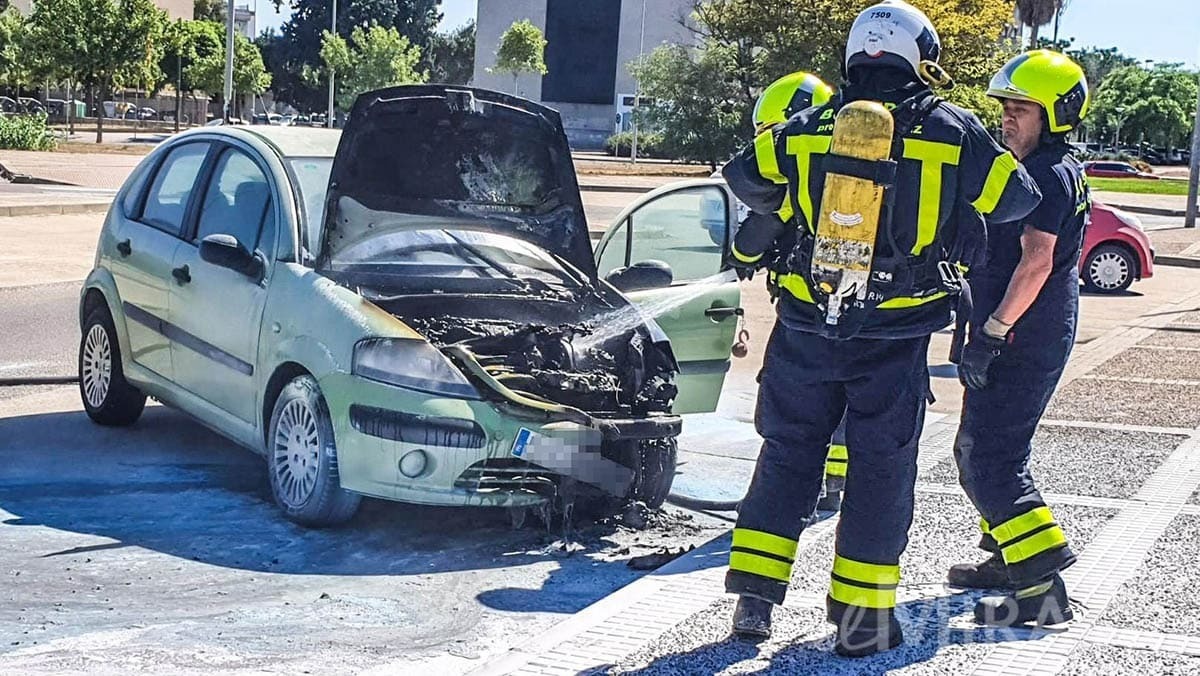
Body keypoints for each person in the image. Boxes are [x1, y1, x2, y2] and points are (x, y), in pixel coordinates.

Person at [721, 0, 1042, 656]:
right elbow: (1017, 199)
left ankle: (753, 603)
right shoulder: (952, 129)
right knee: (879, 472)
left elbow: (744, 178)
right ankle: (861, 624)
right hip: (893, 339)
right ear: (921, 59)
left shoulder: (808, 125)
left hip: (806, 327)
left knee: (786, 457)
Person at [948, 50, 1091, 628]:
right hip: (1026, 330)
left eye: (1022, 109)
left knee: (988, 459)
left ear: (1054, 115)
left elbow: (1036, 262)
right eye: (1006, 106)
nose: (1007, 117)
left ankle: (1041, 588)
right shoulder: (1041, 167)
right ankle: (1007, 558)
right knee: (984, 450)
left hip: (1023, 336)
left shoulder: (1047, 175)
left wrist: (991, 333)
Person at [731, 71, 849, 513]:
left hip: (806, 316)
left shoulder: (798, 176)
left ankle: (795, 495)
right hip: (860, 314)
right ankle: (834, 483)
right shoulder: (846, 169)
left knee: (796, 412)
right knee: (845, 400)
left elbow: (754, 237)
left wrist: (740, 257)